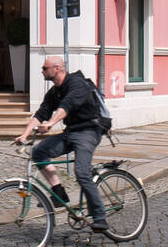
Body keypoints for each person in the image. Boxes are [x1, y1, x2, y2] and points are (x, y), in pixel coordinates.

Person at [15, 56, 107, 234]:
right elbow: (41, 113)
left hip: (89, 131)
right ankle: (59, 192)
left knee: (82, 172)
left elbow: (67, 105)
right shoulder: (54, 92)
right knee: (39, 151)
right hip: (71, 132)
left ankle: (100, 217)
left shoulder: (77, 84)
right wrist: (25, 134)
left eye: (44, 68)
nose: (42, 71)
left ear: (56, 69)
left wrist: (50, 123)